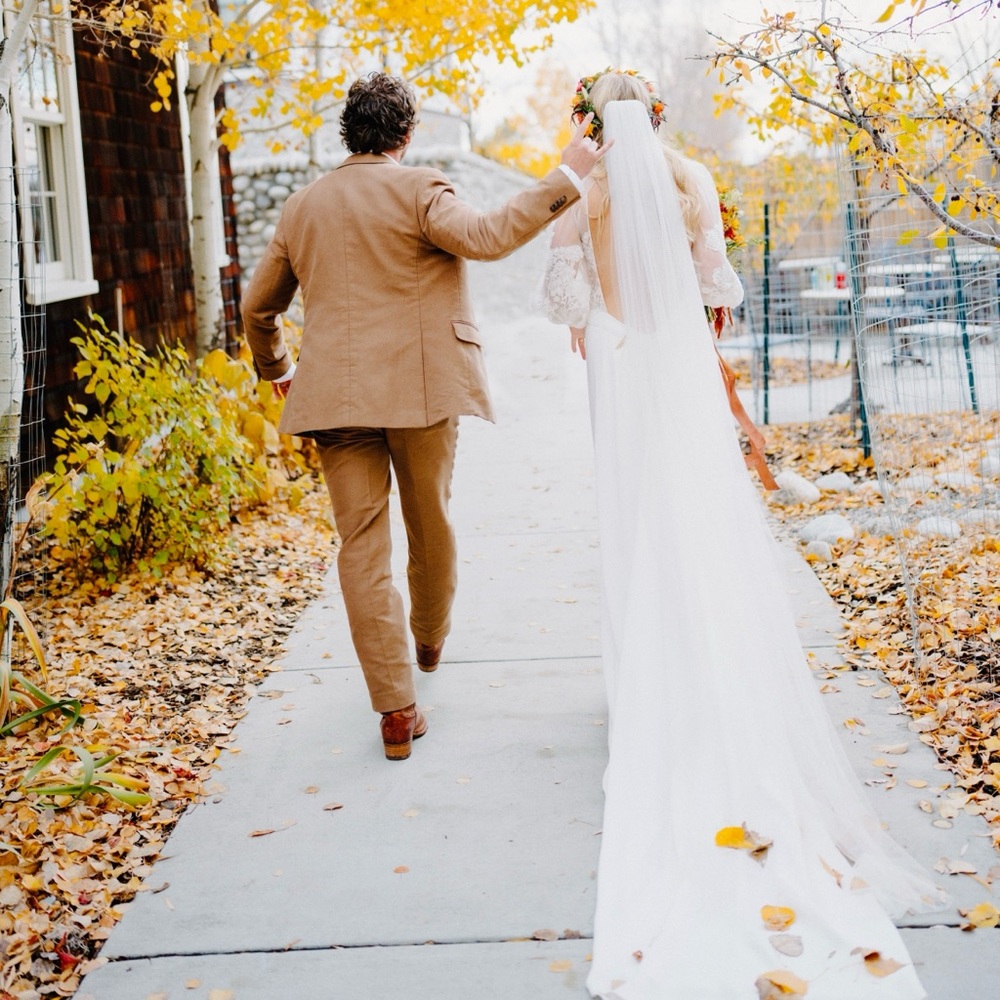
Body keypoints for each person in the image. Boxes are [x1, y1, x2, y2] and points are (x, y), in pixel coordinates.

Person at [538, 69, 944, 1000]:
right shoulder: (691, 181)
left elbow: (564, 301)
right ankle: (710, 661)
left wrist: (590, 244)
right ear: (660, 117)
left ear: (592, 121)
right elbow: (722, 284)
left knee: (636, 520)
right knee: (697, 515)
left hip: (620, 365)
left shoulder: (587, 187)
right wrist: (688, 305)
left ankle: (639, 677)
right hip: (678, 365)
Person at [242, 72, 609, 762]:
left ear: (348, 134)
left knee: (361, 546)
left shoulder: (302, 207)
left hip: (337, 403)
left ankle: (395, 709)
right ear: (406, 136)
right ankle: (429, 639)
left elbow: (258, 311)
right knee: (429, 521)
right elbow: (491, 236)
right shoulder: (421, 189)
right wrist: (568, 172)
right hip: (421, 391)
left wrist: (279, 371)